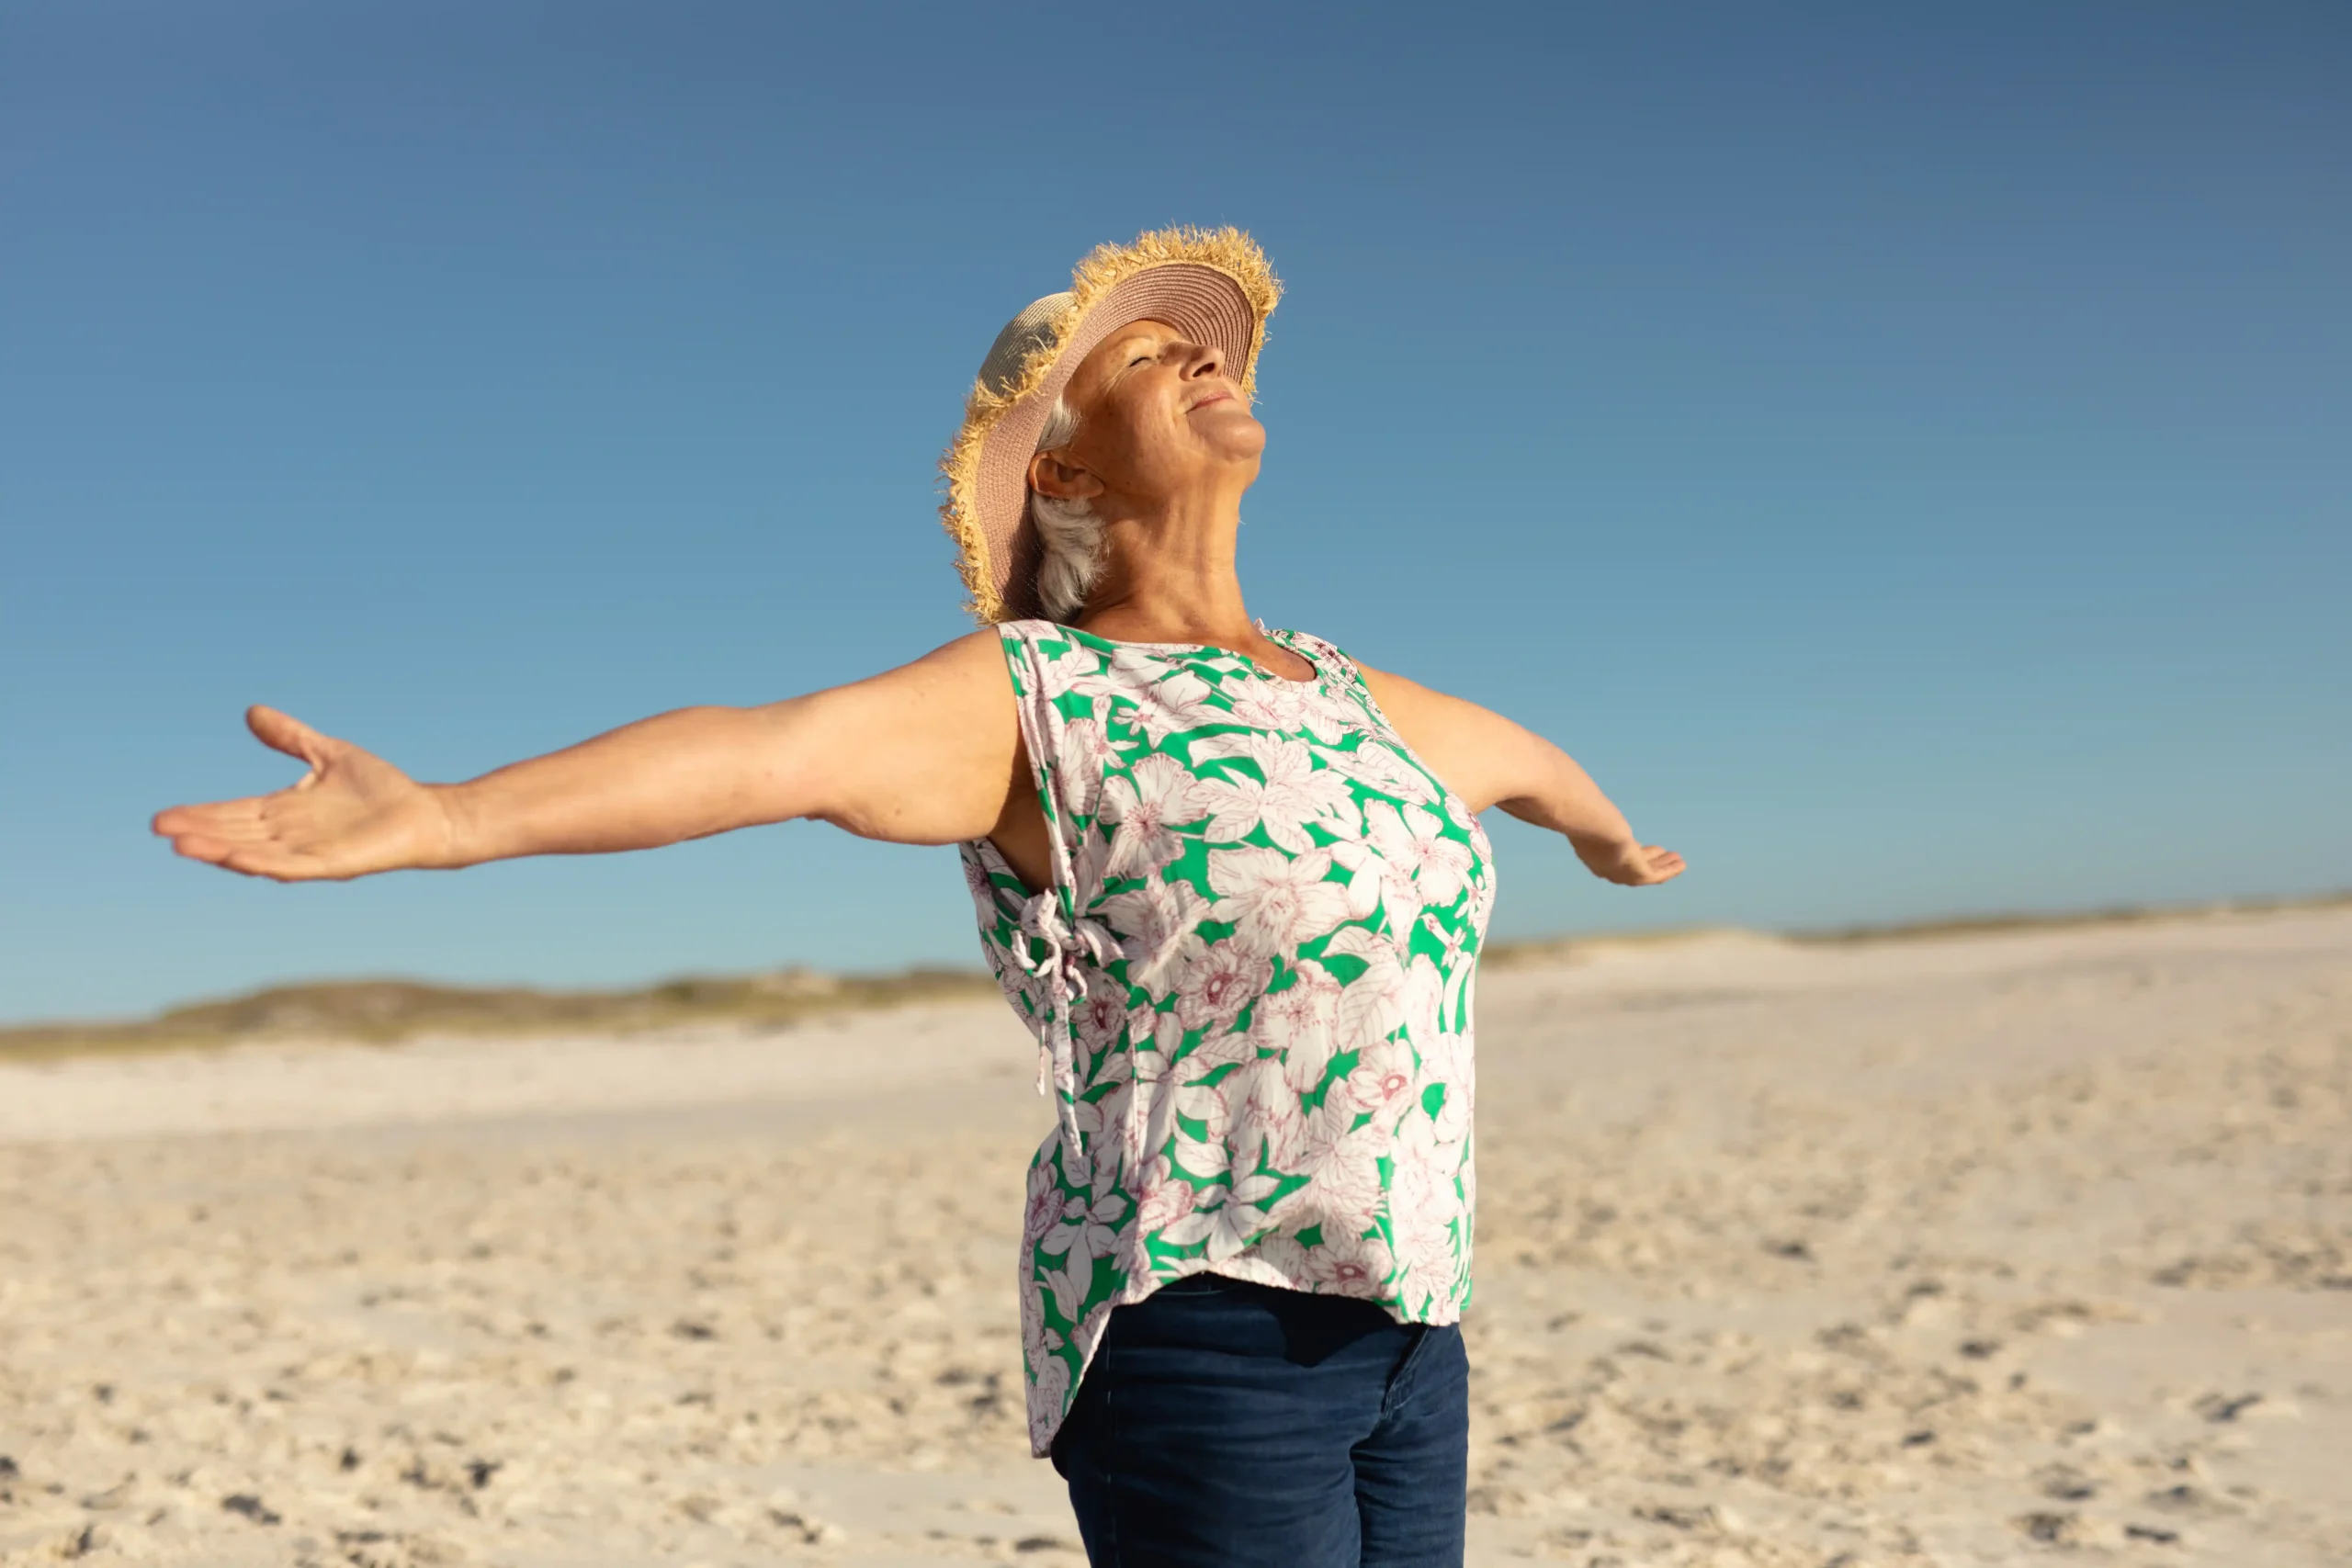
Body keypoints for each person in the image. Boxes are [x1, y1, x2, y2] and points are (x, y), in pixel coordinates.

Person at [153, 226, 1684, 1568]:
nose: (1200, 362)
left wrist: (1607, 840)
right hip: (1203, 1323)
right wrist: (449, 816)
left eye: (1199, 349)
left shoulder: (1351, 696)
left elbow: (1525, 765)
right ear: (1066, 468)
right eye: (1149, 360)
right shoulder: (1042, 694)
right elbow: (772, 753)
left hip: (1414, 1312)